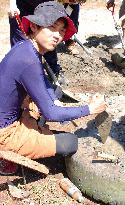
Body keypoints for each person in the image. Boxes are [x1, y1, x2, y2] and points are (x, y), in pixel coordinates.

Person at [0, 1, 107, 175]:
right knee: (70, 142)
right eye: (52, 27)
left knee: (53, 93)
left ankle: (34, 130)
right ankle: (6, 157)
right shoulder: (28, 59)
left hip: (13, 114)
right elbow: (52, 114)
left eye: (62, 31)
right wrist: (90, 109)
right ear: (34, 26)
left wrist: (55, 100)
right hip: (4, 133)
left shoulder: (26, 47)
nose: (57, 36)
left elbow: (44, 82)